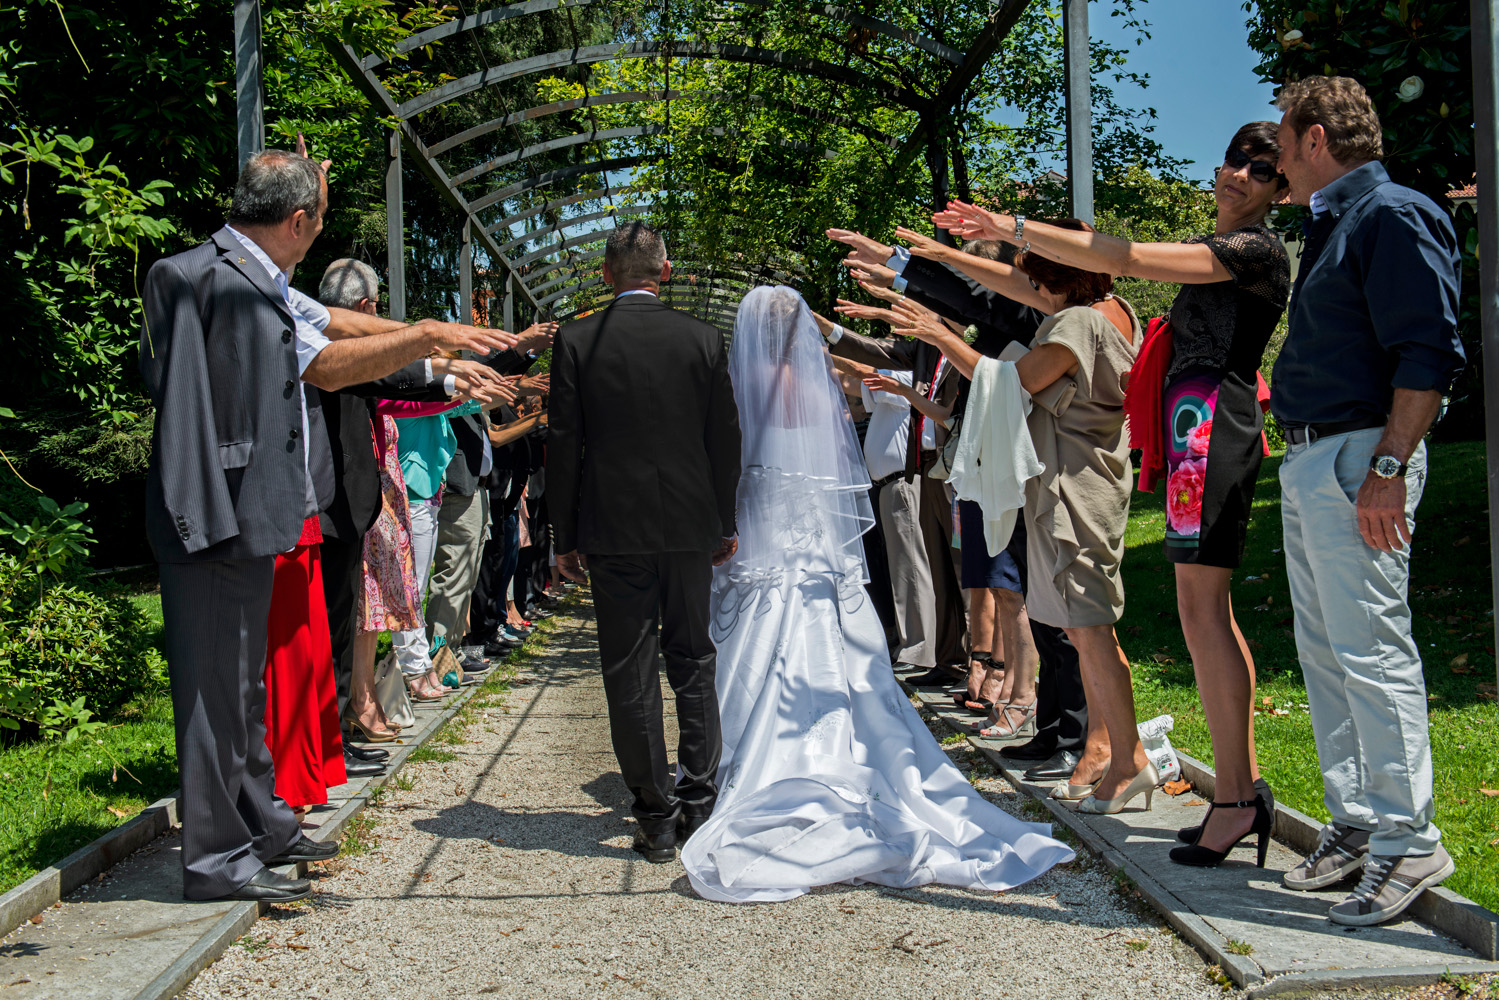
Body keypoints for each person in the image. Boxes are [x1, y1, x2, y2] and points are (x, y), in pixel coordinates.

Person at [138, 148, 515, 902]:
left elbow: (328, 335)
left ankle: (263, 824)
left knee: (241, 690)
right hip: (214, 516)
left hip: (257, 512)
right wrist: (429, 335)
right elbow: (213, 396)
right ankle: (215, 861)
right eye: (319, 217)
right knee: (214, 696)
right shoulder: (189, 274)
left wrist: (428, 346)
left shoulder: (260, 275)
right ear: (299, 219)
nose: (319, 234)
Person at [933, 122, 1293, 868]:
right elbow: (1045, 284)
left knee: (1203, 613)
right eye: (1232, 159)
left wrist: (1009, 227)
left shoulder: (1254, 248)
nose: (1237, 176)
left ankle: (1234, 795)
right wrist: (942, 255)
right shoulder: (1216, 249)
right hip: (1191, 429)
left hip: (1212, 428)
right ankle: (1234, 792)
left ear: (1281, 187)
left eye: (1260, 169)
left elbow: (1115, 258)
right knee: (1199, 614)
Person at [678, 285, 1074, 902]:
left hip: (759, 534)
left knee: (749, 648)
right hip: (813, 544)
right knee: (833, 654)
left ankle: (733, 767)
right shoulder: (816, 382)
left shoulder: (734, 386)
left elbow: (725, 461)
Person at [1269, 76, 1462, 925]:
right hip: (1315, 457)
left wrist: (1388, 466)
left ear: (1315, 138)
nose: (1273, 157)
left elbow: (1428, 351)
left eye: (1281, 138)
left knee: (1372, 651)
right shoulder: (1335, 221)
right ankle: (1355, 822)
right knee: (1327, 653)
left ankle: (1407, 838)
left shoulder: (1392, 212)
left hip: (1359, 458)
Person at [891, 221, 1152, 816]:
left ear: (1049, 276)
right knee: (1087, 629)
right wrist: (931, 255)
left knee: (1089, 628)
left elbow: (1008, 383)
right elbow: (1010, 291)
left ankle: (1125, 756)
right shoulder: (1110, 309)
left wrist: (937, 331)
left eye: (1032, 268)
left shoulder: (1077, 324)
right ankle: (1105, 746)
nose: (1022, 278)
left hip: (1077, 488)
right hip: (1079, 479)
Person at [829, 228, 1089, 786]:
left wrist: (913, 268)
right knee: (1017, 595)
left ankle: (1067, 726)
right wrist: (900, 277)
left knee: (1040, 602)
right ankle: (1051, 723)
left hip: (1039, 472)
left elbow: (973, 324)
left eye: (975, 274)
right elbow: (958, 314)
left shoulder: (1041, 322)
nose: (963, 296)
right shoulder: (1012, 323)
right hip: (998, 473)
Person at [547, 222, 743, 863]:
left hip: (613, 527)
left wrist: (564, 534)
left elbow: (565, 444)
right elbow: (724, 440)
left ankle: (655, 816)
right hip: (689, 525)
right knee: (692, 656)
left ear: (606, 275)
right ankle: (701, 799)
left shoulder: (576, 341)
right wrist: (724, 520)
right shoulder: (703, 339)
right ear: (666, 272)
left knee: (628, 668)